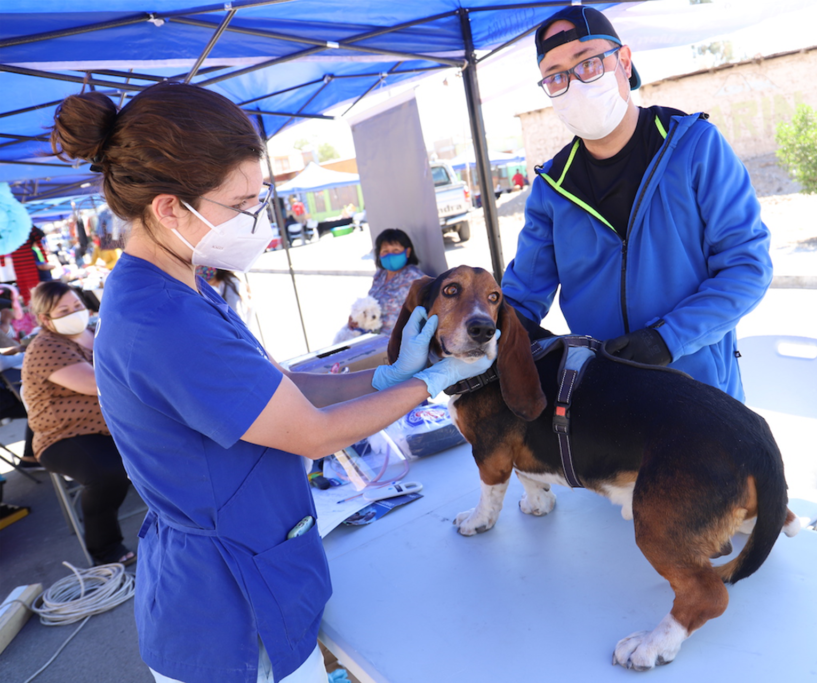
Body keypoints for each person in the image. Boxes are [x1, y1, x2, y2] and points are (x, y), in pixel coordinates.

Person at [51, 82, 495, 683]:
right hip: (226, 606)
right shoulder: (163, 321)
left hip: (250, 562)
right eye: (240, 206)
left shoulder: (185, 283)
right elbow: (312, 434)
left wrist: (386, 375)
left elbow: (280, 389)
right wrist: (436, 380)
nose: (256, 222)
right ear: (169, 208)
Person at [501, 6, 772, 401]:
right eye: (556, 77)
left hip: (701, 397)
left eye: (589, 64)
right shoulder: (552, 187)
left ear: (623, 62)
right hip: (604, 401)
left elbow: (748, 267)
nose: (574, 84)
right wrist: (474, 331)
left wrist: (667, 339)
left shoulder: (694, 147)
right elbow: (522, 298)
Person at [20, 281, 135, 564]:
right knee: (106, 473)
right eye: (64, 310)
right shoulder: (45, 347)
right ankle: (104, 548)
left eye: (77, 307)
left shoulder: (94, 332)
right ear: (45, 319)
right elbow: (96, 383)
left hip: (110, 425)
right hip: (63, 436)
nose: (75, 313)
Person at [344, 228, 426, 339]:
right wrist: (357, 319)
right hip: (374, 339)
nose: (390, 255)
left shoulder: (415, 278)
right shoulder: (380, 275)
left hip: (399, 343)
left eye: (395, 250)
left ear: (407, 252)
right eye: (385, 251)